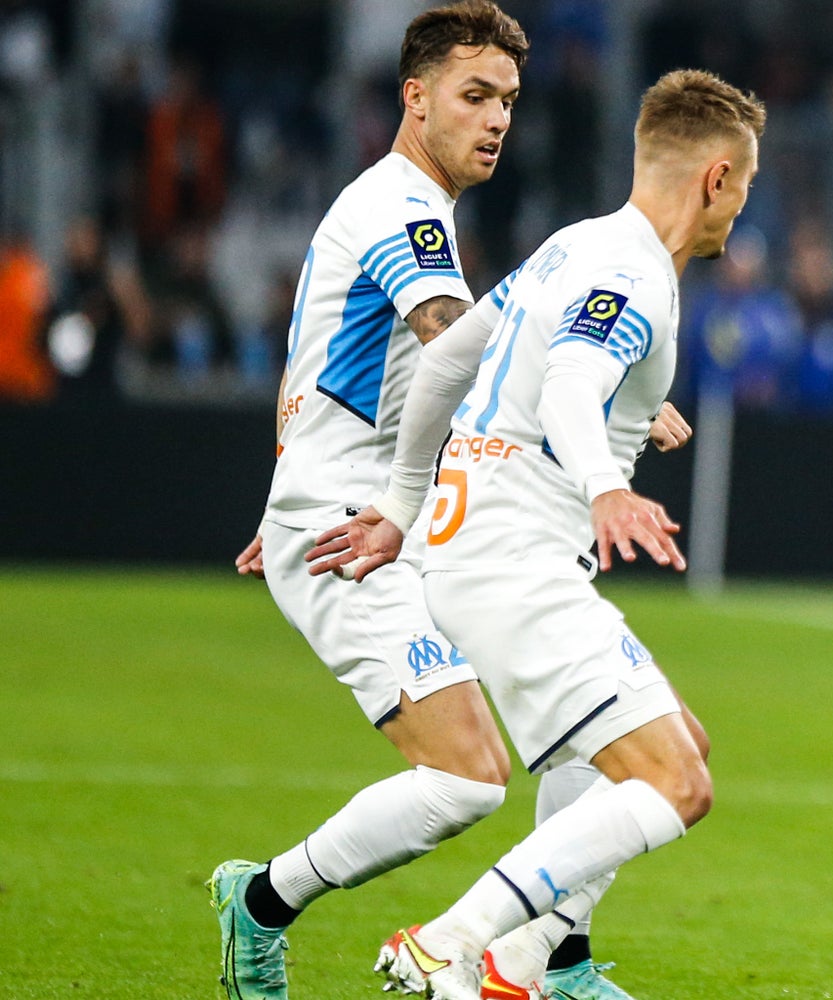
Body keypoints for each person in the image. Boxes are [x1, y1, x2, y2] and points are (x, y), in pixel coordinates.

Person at [311, 68, 764, 1000]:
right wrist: (607, 485)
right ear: (716, 179)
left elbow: (445, 365)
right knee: (679, 786)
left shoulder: (571, 247)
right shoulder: (637, 275)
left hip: (469, 553)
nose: (739, 213)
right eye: (744, 190)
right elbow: (567, 384)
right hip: (516, 565)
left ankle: (527, 965)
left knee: (677, 743)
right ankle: (455, 941)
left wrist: (401, 507)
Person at [205, 6, 529, 999]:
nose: (496, 120)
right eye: (474, 96)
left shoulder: (388, 204)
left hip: (373, 515)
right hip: (356, 530)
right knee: (470, 776)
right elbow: (454, 342)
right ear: (415, 96)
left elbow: (318, 362)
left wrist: (280, 491)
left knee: (584, 709)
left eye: (508, 102)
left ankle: (550, 963)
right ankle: (258, 903)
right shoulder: (404, 209)